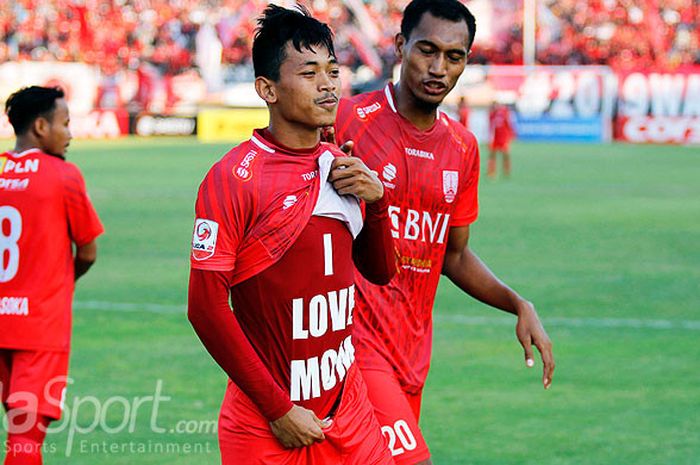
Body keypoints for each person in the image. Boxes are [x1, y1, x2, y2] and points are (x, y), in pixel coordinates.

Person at [333, 1, 555, 464]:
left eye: (453, 57)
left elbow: (452, 255)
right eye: (426, 51)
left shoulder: (462, 147)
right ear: (400, 47)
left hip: (412, 355)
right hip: (353, 347)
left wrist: (517, 302)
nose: (438, 68)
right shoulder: (349, 120)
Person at [187, 5, 395, 465]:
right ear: (267, 89)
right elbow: (204, 307)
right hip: (266, 423)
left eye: (333, 71)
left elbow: (379, 273)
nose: (328, 84)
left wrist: (377, 204)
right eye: (309, 73)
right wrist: (278, 409)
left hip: (350, 412)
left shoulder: (342, 165)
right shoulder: (233, 177)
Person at [0, 86, 103, 465]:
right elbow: (88, 251)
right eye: (65, 124)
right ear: (41, 127)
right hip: (39, 326)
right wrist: (59, 282)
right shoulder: (62, 175)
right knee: (25, 441)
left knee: (17, 427)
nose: (71, 134)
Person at [488, 101, 514, 178]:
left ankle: (507, 171)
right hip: (495, 138)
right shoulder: (492, 115)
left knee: (506, 155)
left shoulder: (504, 113)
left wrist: (510, 134)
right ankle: (491, 172)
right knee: (492, 155)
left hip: (503, 137)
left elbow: (508, 124)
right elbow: (490, 126)